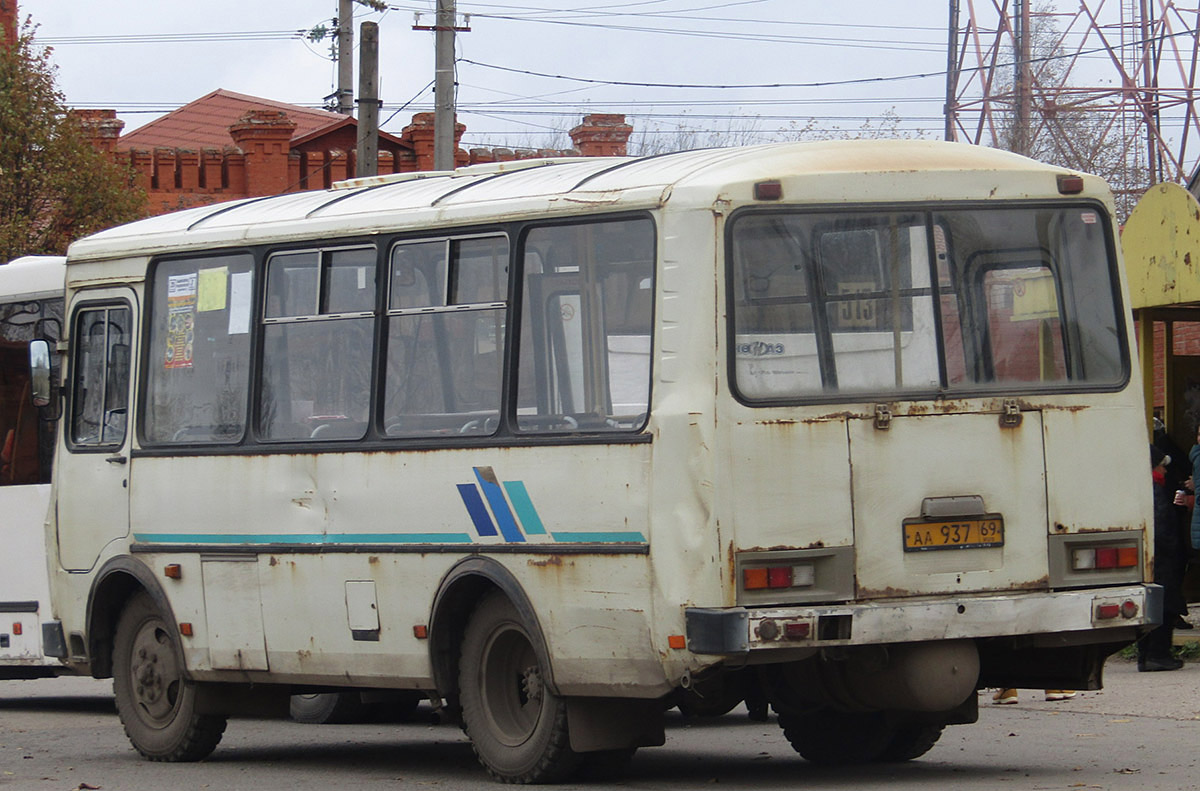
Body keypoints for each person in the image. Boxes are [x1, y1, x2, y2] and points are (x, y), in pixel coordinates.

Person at [1141, 444, 1184, 671]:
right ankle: (1158, 655)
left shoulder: (1139, 487)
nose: (1165, 472)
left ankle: (1145, 655)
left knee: (1150, 607)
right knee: (1165, 607)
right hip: (1162, 560)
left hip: (1150, 560)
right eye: (1161, 467)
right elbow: (1161, 526)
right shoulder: (1154, 489)